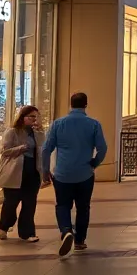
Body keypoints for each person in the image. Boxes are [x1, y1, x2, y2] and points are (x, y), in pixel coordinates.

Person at [41, 92, 108, 257]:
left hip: (62, 174)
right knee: (83, 207)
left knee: (63, 205)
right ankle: (79, 241)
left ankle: (66, 231)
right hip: (85, 173)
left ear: (70, 104)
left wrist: (45, 170)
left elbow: (45, 149)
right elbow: (103, 148)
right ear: (86, 104)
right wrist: (95, 162)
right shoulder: (93, 124)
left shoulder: (58, 124)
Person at [0, 105, 45, 243]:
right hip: (15, 173)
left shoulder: (37, 133)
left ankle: (27, 232)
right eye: (32, 117)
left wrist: (40, 131)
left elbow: (42, 148)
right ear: (23, 118)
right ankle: (4, 226)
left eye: (36, 117)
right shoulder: (12, 131)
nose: (35, 120)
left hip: (32, 172)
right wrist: (21, 148)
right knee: (11, 203)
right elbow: (5, 151)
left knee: (30, 204)